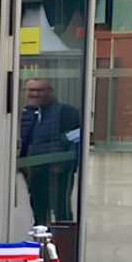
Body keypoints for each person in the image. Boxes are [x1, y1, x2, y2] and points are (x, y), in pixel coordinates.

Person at [18, 77, 81, 225]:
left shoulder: (66, 112)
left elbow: (77, 136)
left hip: (58, 171)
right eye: (31, 90)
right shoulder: (25, 112)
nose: (35, 94)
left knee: (61, 209)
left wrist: (65, 162)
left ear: (50, 92)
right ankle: (41, 241)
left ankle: (63, 243)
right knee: (39, 208)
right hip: (34, 170)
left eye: (40, 90)